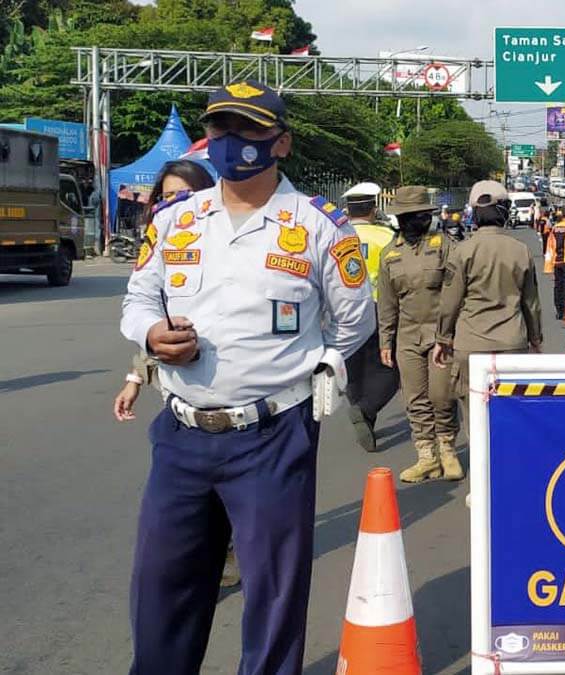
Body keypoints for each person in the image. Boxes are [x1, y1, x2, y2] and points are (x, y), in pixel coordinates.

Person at [119, 80, 374, 674]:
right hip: (180, 433)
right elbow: (138, 298)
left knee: (272, 593)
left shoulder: (318, 227)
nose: (232, 142)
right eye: (221, 129)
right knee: (162, 586)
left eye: (249, 130)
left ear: (280, 143)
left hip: (273, 433)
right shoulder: (176, 220)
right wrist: (151, 335)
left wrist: (318, 370)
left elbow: (354, 319)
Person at [111, 160, 246, 589]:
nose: (174, 203)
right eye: (166, 196)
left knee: (225, 488)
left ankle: (228, 548)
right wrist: (134, 380)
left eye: (183, 194)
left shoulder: (227, 245)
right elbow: (152, 322)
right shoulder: (161, 246)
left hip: (232, 387)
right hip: (177, 387)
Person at [433, 180, 542, 435]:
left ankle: (482, 473)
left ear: (475, 213)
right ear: (505, 210)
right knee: (513, 415)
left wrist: (442, 339)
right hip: (512, 344)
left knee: (475, 415)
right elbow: (531, 303)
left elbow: (450, 301)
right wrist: (535, 339)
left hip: (471, 345)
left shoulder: (462, 251)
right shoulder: (521, 250)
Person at [377, 186, 462, 483]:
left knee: (442, 395)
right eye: (409, 216)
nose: (415, 220)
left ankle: (447, 449)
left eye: (419, 215)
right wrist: (385, 340)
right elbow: (387, 303)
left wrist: (452, 333)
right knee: (415, 399)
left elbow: (458, 291)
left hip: (442, 335)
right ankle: (426, 456)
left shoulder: (445, 245)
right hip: (407, 336)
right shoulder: (390, 255)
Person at [340, 181, 401, 452]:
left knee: (353, 369)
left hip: (341, 311)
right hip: (379, 307)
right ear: (374, 209)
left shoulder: (335, 235)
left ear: (348, 210)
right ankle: (366, 409)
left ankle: (362, 412)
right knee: (390, 367)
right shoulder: (386, 236)